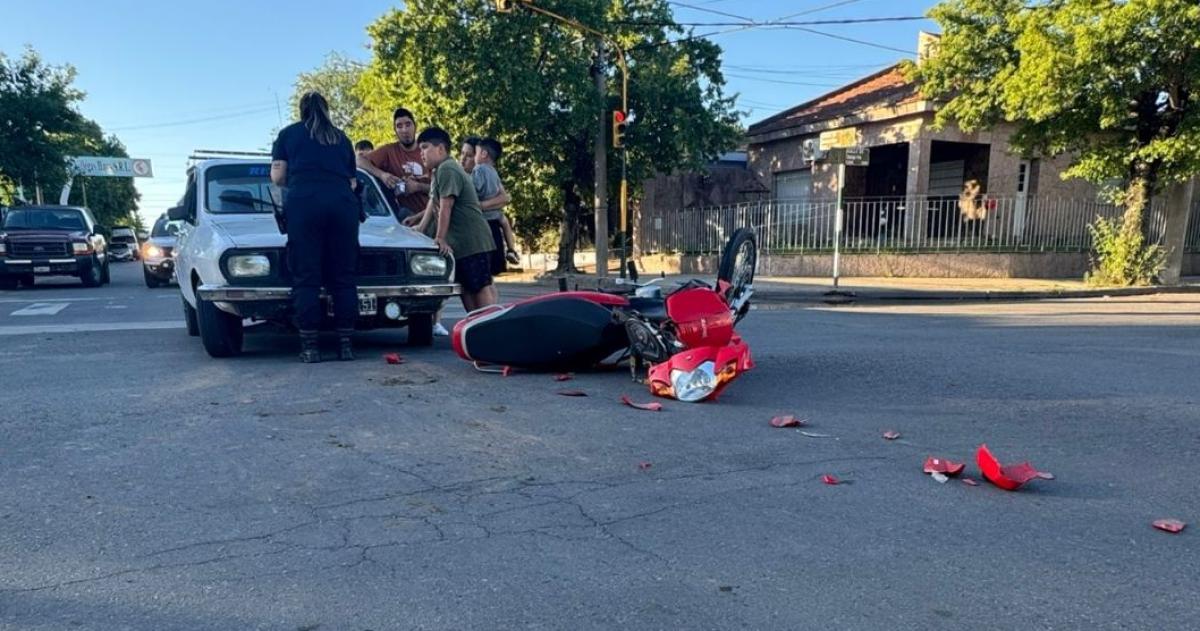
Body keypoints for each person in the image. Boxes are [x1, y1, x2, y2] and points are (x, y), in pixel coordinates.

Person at [270, 91, 360, 363]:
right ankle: (345, 345)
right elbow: (353, 182)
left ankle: (310, 347)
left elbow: (278, 176)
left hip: (304, 204)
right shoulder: (342, 138)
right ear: (326, 109)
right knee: (344, 276)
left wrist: (299, 185)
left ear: (302, 110)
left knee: (306, 275)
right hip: (343, 205)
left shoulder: (288, 135)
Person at [411, 126, 498, 311]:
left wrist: (440, 237)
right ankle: (475, 333)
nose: (422, 154)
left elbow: (446, 206)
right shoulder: (439, 171)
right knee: (466, 290)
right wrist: (419, 228)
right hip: (460, 246)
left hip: (472, 242)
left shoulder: (447, 169)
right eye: (420, 149)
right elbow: (433, 204)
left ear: (441, 149)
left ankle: (490, 331)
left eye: (425, 147)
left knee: (480, 288)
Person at [357, 108, 430, 220]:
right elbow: (358, 160)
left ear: (415, 126)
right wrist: (382, 174)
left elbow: (444, 190)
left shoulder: (427, 149)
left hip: (431, 216)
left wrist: (418, 187)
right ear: (395, 130)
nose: (404, 130)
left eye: (408, 124)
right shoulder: (389, 151)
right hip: (404, 221)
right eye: (399, 126)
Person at [473, 137, 521, 271]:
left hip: (483, 220)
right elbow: (503, 196)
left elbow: (473, 190)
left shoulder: (479, 170)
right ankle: (511, 250)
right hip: (496, 217)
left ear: (483, 154)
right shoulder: (494, 172)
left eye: (475, 153)